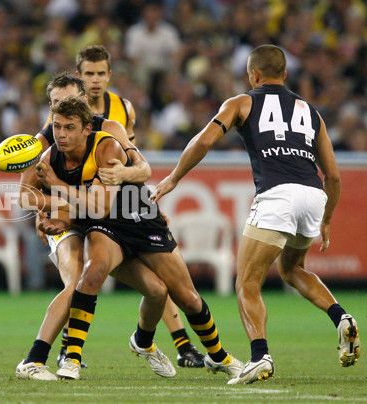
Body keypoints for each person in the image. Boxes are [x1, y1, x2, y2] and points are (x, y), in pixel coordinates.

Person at [150, 44, 361, 384]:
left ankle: (260, 356)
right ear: (286, 74)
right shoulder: (310, 111)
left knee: (247, 282)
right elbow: (334, 175)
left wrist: (174, 177)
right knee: (292, 269)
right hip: (313, 194)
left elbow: (203, 141)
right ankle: (340, 318)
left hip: (278, 194)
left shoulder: (241, 102)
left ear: (254, 75)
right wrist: (327, 219)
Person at [35, 95, 242, 381]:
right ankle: (71, 357)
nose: (60, 134)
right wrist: (52, 216)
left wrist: (56, 188)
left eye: (68, 128)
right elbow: (82, 209)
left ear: (86, 129)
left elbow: (99, 205)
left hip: (139, 218)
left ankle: (216, 356)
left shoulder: (106, 146)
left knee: (185, 297)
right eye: (57, 127)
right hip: (104, 226)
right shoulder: (50, 157)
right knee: (92, 274)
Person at [77, 45, 205, 368]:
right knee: (79, 277)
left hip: (126, 202)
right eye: (89, 74)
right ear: (79, 76)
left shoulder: (123, 110)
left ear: (109, 75)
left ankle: (183, 344)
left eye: (100, 73)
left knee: (160, 274)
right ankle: (68, 349)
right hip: (87, 207)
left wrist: (139, 194)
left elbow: (134, 161)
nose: (95, 80)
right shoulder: (68, 112)